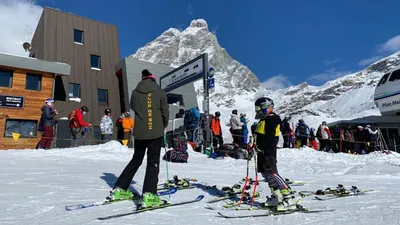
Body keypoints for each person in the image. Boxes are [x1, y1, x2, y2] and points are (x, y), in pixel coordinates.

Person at [108, 69, 169, 208]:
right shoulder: (160, 92)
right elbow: (165, 112)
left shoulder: (135, 92)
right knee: (153, 162)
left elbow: (134, 108)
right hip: (155, 132)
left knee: (136, 159)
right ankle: (149, 194)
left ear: (142, 79)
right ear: (153, 79)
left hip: (140, 132)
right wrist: (163, 125)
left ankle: (120, 189)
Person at [253, 96, 299, 211]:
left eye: (259, 108)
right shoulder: (263, 119)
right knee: (265, 174)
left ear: (266, 108)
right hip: (261, 151)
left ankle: (289, 197)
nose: (257, 110)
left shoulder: (272, 119)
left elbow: (271, 138)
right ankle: (276, 196)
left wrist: (261, 147)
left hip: (268, 151)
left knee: (272, 173)